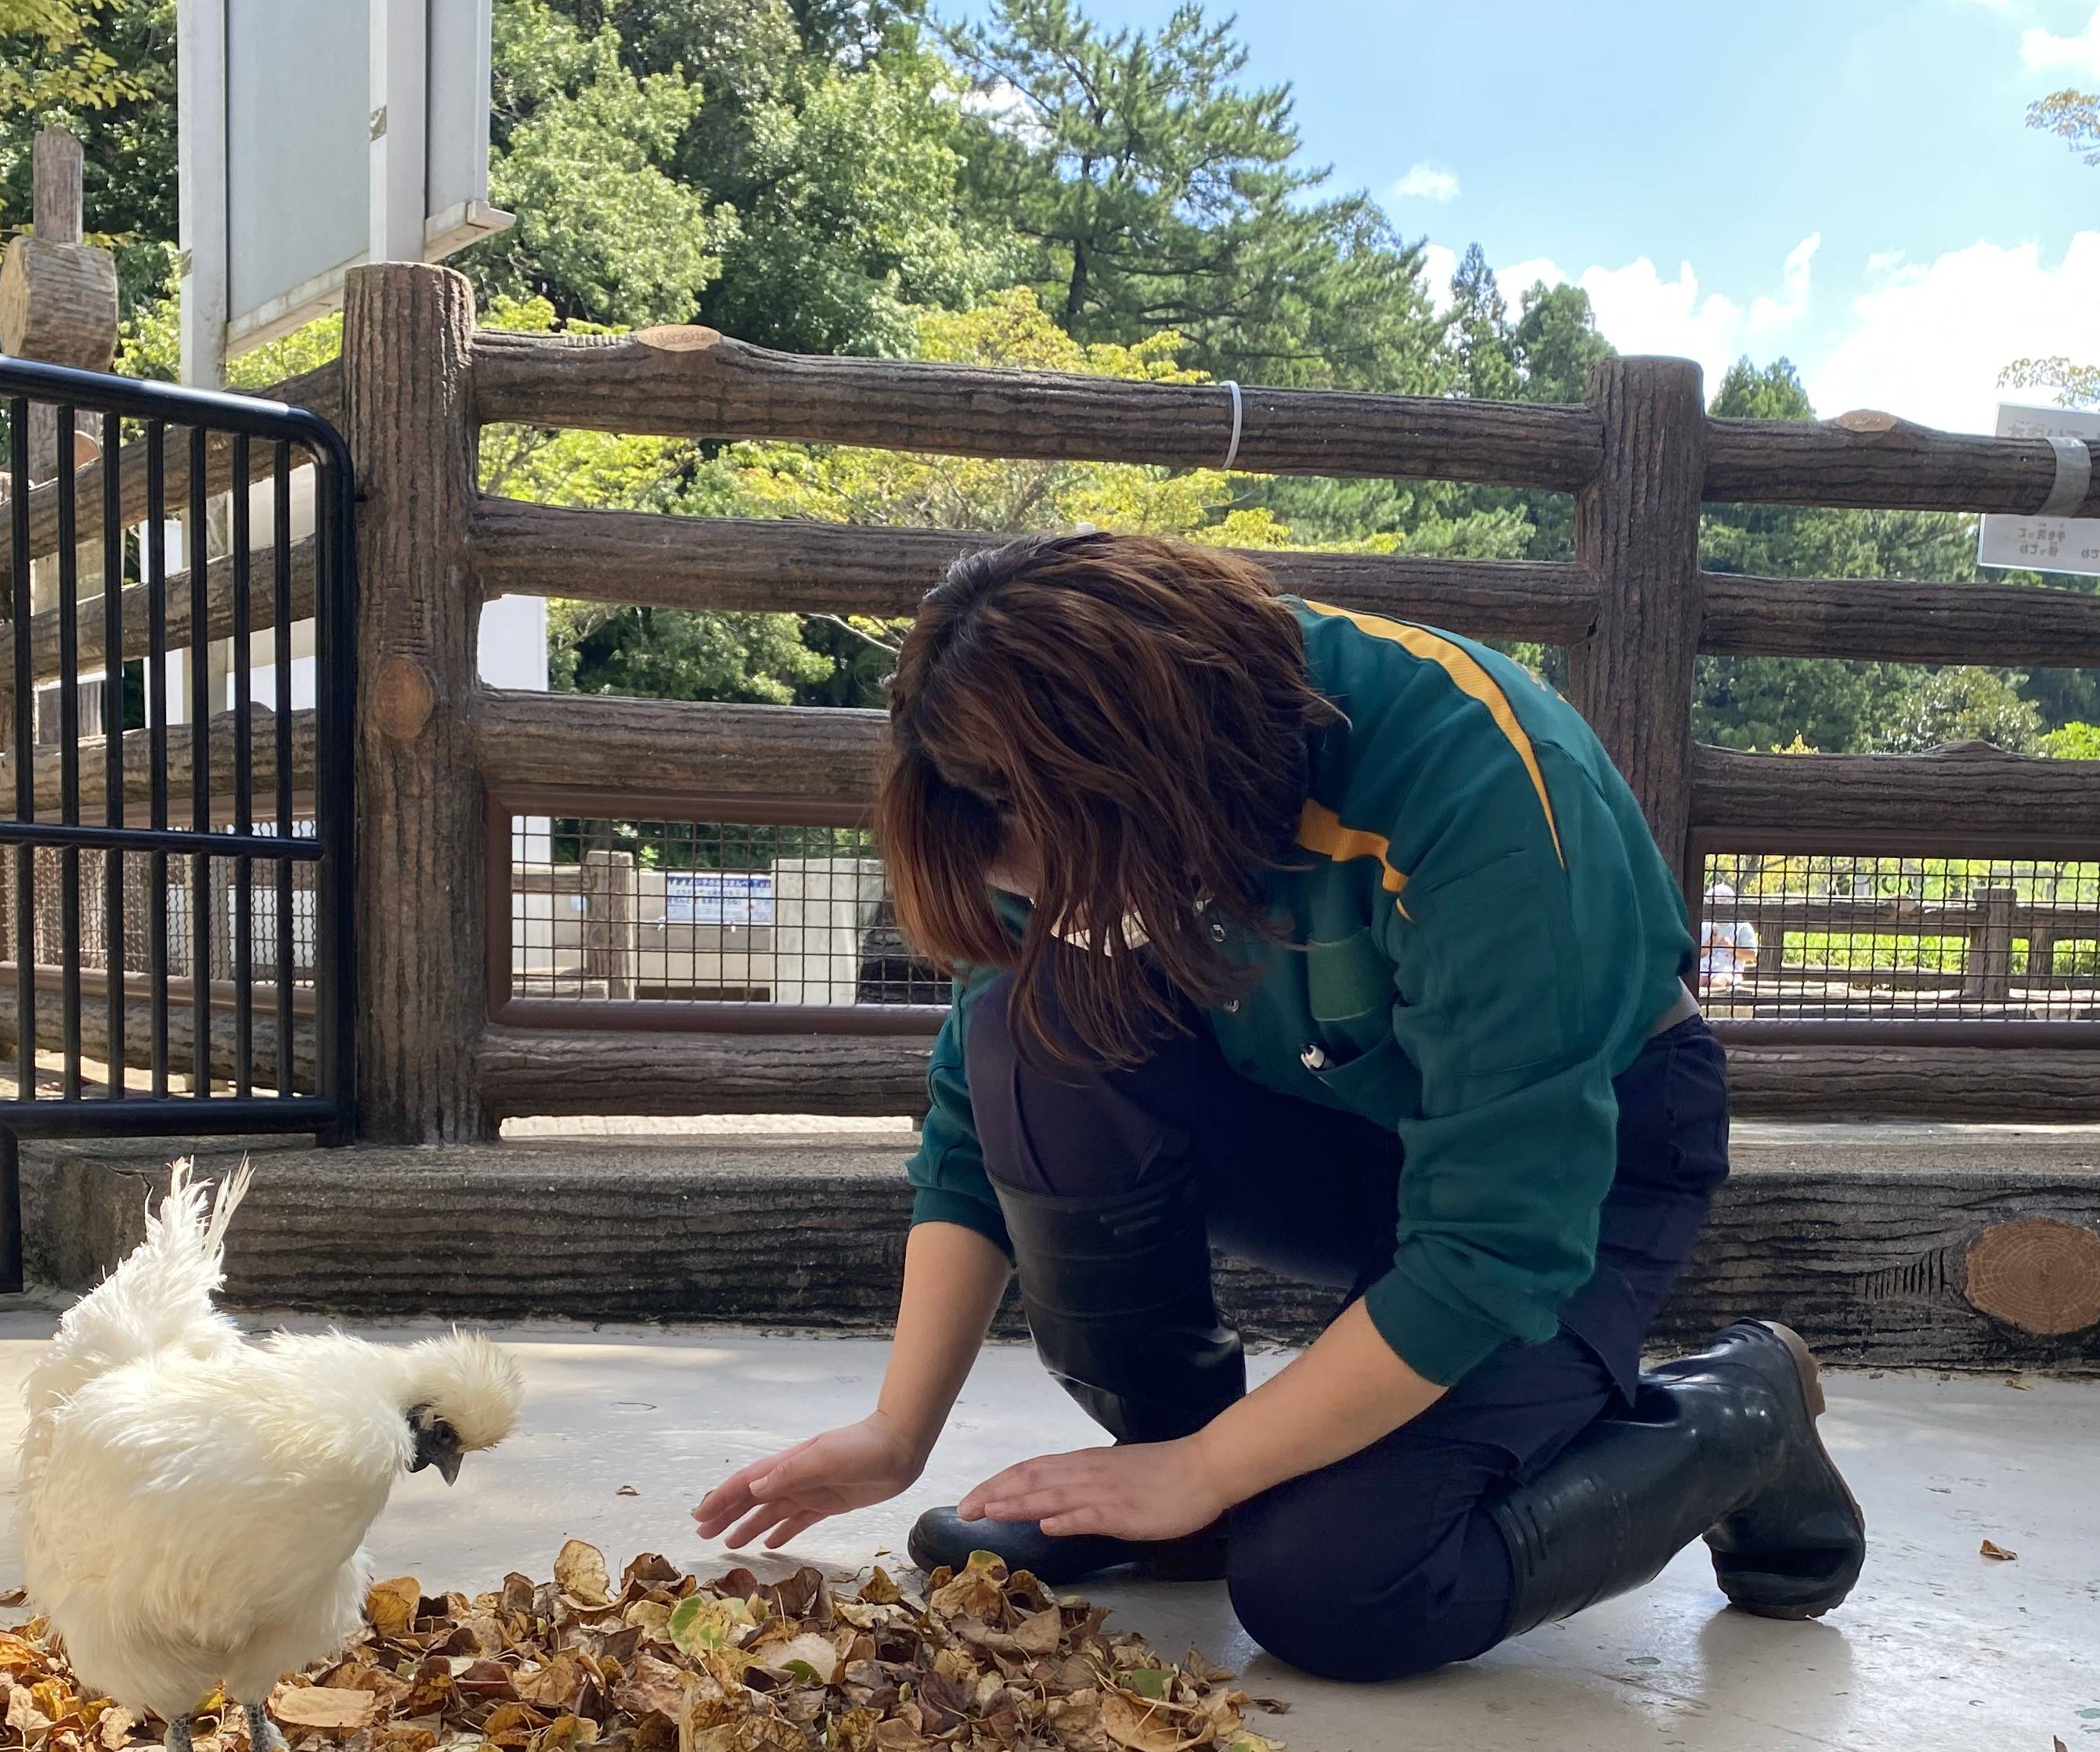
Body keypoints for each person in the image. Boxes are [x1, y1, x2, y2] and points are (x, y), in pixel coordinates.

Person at [690, 533, 1864, 1684]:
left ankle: (1736, 1414)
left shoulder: (1478, 780)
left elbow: (1489, 1245)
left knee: (1342, 1585)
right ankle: (1170, 1493)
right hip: (1324, 1114)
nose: (1046, 914)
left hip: (1585, 1169)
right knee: (1020, 1033)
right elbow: (971, 1120)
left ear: (1154, 790)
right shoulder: (1012, 785)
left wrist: (1217, 1465)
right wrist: (899, 1434)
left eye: (1060, 883)